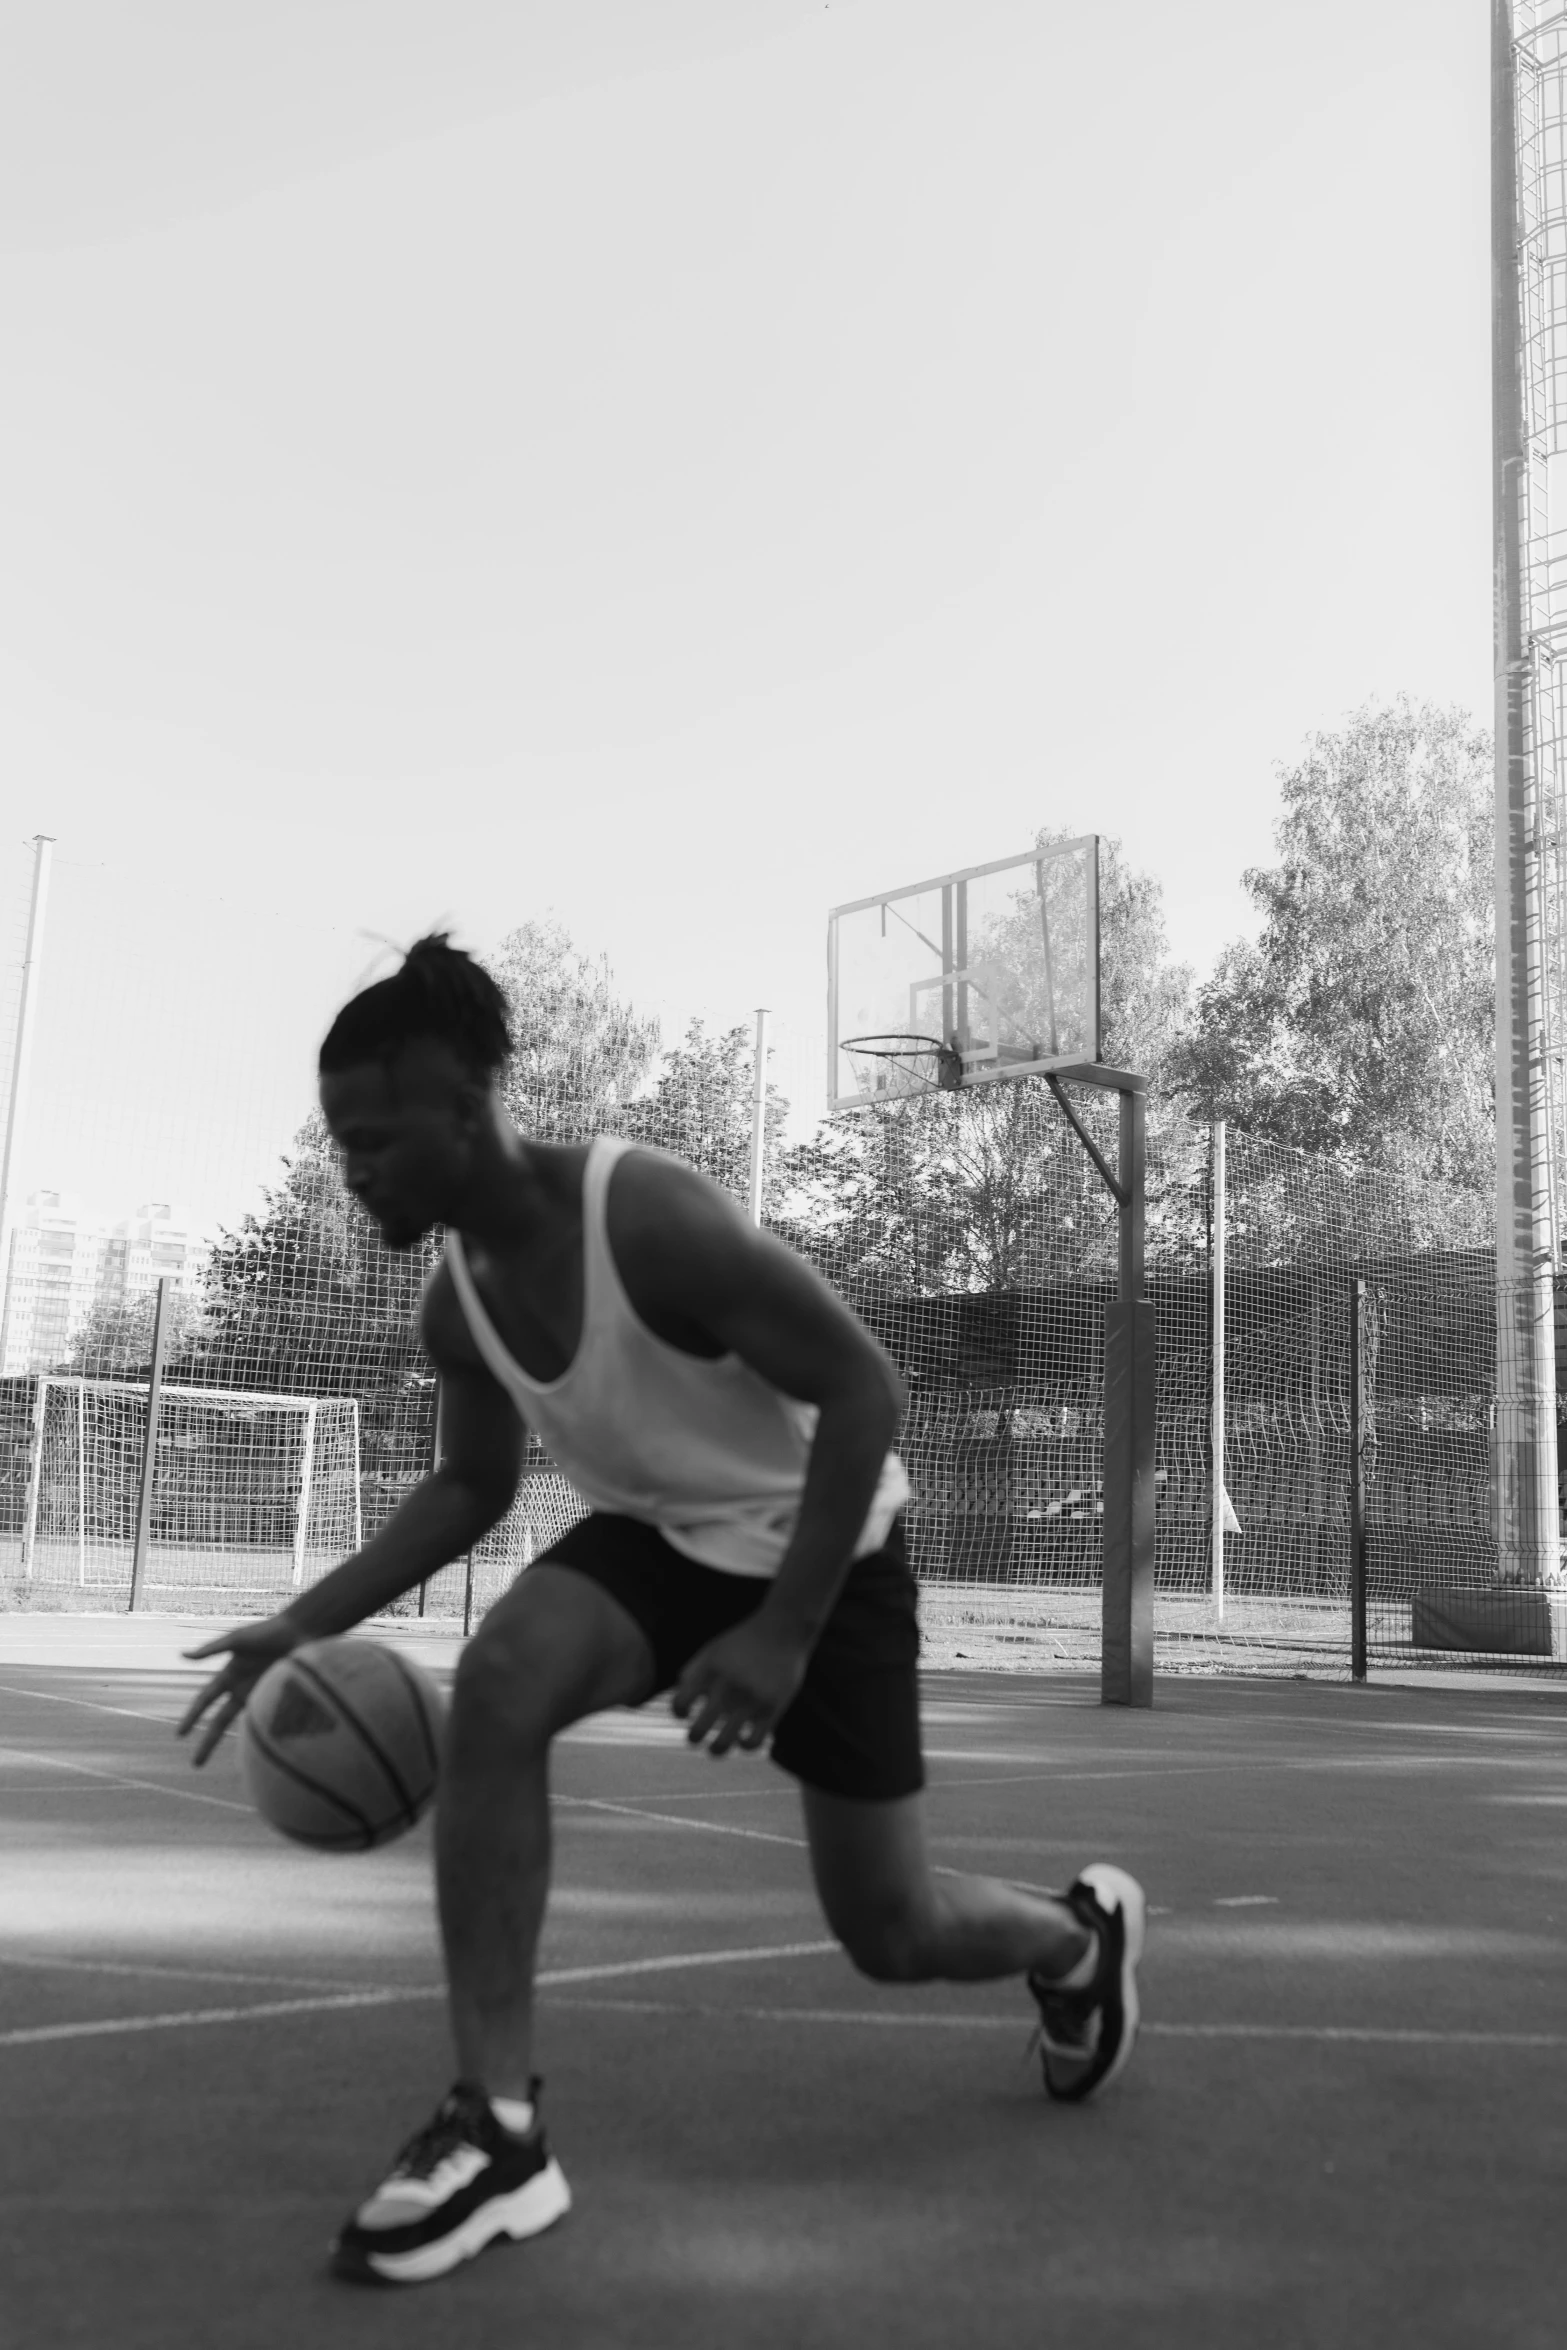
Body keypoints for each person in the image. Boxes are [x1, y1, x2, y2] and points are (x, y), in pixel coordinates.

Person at [180, 936, 1146, 2287]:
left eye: (374, 1138)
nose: (354, 1170)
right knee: (502, 1681)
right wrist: (304, 1618)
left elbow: (864, 1390)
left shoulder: (644, 1219)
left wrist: (784, 1632)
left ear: (468, 1113)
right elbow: (468, 1483)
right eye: (340, 1144)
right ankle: (497, 2127)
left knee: (891, 1930)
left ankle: (1074, 1935)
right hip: (662, 1541)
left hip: (827, 1544)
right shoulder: (455, 1301)